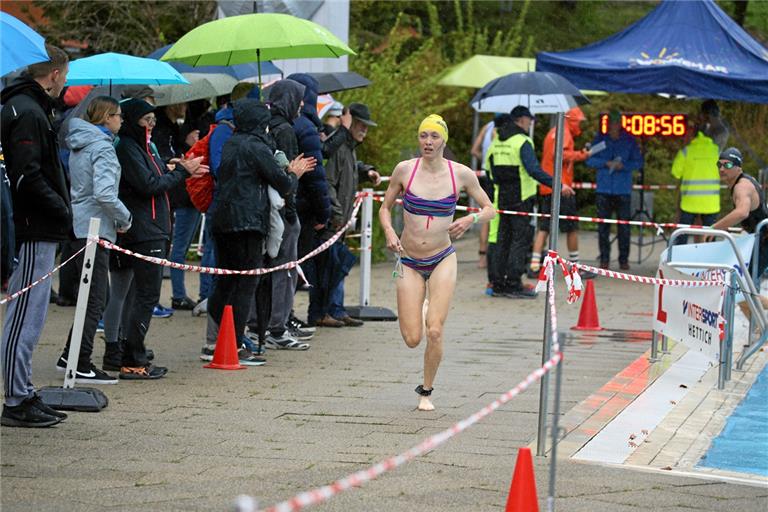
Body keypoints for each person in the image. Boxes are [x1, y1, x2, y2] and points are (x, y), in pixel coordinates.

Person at [379, 114, 495, 411]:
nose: (428, 142)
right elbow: (384, 208)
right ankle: (423, 305)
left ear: (443, 140)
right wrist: (390, 230)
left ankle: (426, 391)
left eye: (434, 136)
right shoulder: (405, 170)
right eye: (423, 136)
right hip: (408, 259)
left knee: (435, 331)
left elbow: (490, 209)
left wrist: (470, 218)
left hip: (443, 257)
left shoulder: (461, 174)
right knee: (412, 338)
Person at [207, 99, 311, 366]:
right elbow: (283, 184)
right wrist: (294, 173)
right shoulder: (256, 147)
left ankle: (218, 339)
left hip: (221, 220)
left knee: (225, 281)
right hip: (248, 223)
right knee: (246, 284)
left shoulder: (231, 143)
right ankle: (237, 344)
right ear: (259, 124)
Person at [1, 45, 72, 427]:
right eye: (66, 75)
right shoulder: (27, 111)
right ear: (55, 75)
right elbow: (28, 175)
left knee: (33, 311)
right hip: (33, 225)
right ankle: (15, 399)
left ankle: (23, 390)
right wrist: (61, 209)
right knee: (25, 312)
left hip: (39, 223)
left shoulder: (32, 108)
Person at [115, 98, 206, 379]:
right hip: (145, 229)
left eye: (154, 119)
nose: (152, 125)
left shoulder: (144, 146)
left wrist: (172, 166)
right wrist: (181, 172)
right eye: (147, 120)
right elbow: (148, 185)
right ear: (134, 120)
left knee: (139, 294)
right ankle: (133, 357)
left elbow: (153, 175)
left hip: (153, 225)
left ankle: (132, 349)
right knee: (146, 295)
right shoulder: (129, 147)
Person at [55, 96, 132, 384]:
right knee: (96, 298)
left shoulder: (80, 143)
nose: (121, 120)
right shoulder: (101, 147)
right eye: (118, 115)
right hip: (94, 228)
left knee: (92, 297)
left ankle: (70, 354)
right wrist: (125, 218)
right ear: (106, 117)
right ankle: (81, 360)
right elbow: (104, 193)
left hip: (80, 224)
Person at [485, 106, 575, 298]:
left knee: (502, 240)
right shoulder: (523, 142)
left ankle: (499, 283)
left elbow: (488, 172)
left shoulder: (496, 142)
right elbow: (534, 170)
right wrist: (558, 185)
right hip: (522, 199)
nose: (531, 122)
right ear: (521, 120)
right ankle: (514, 283)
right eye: (529, 119)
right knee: (520, 241)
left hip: (501, 198)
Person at [262, 79, 317, 349]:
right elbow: (289, 177)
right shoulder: (285, 130)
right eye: (299, 99)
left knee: (269, 267)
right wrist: (293, 213)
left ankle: (264, 323)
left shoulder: (268, 125)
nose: (302, 105)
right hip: (283, 210)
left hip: (269, 209)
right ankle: (277, 327)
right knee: (284, 270)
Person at [316, 103, 381, 328]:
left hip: (340, 220)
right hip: (334, 220)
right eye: (361, 125)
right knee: (329, 269)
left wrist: (367, 171)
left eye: (367, 127)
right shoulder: (338, 146)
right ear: (350, 123)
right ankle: (323, 312)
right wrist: (335, 214)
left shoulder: (348, 147)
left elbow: (351, 169)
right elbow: (329, 183)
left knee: (337, 267)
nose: (364, 130)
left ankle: (336, 309)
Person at [528, 107, 591, 278]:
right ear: (571, 120)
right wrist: (582, 155)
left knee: (544, 228)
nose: (580, 124)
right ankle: (575, 267)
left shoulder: (553, 132)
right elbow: (560, 153)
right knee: (571, 228)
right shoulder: (564, 133)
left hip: (548, 187)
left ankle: (534, 266)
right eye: (578, 121)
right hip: (561, 188)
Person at [152, 102, 202, 311]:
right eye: (179, 103)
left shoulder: (175, 129)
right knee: (178, 247)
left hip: (183, 193)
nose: (183, 106)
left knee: (178, 245)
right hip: (180, 196)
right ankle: (178, 294)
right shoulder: (164, 132)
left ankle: (178, 293)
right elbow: (166, 161)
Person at [708, 148, 768, 315]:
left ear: (738, 167)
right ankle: (758, 331)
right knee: (742, 290)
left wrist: (715, 229)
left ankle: (759, 331)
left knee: (742, 291)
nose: (722, 169)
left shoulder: (741, 187)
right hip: (760, 238)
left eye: (727, 164)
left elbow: (742, 212)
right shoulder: (743, 182)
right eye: (719, 165)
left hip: (765, 240)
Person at [586, 110, 643, 270]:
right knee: (603, 226)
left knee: (624, 227)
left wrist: (623, 166)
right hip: (604, 189)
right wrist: (605, 163)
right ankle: (604, 258)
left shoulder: (629, 141)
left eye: (616, 123)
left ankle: (623, 259)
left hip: (622, 189)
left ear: (621, 124)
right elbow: (589, 159)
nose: (614, 126)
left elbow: (638, 162)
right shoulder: (600, 140)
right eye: (611, 123)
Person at [671, 127, 720, 245]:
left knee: (682, 236)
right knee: (710, 238)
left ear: (693, 136)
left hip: (689, 202)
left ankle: (679, 261)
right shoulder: (717, 151)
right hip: (711, 203)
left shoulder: (686, 151)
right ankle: (710, 262)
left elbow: (676, 173)